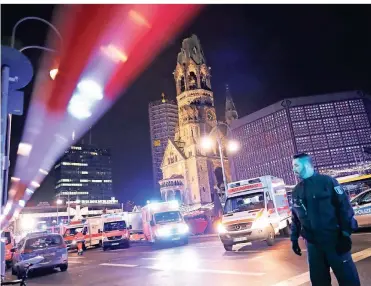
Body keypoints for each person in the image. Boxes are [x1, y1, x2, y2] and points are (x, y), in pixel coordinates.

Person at [290, 153, 360, 286]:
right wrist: (294, 239)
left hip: (334, 240)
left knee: (348, 280)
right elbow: (295, 217)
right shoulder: (296, 191)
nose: (293, 169)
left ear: (306, 165)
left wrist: (345, 234)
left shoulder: (328, 182)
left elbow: (344, 208)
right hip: (313, 245)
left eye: (296, 165)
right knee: (319, 282)